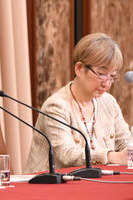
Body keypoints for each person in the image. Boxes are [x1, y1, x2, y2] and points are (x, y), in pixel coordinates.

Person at [25, 33, 132, 173]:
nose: (107, 83)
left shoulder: (108, 102)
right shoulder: (56, 106)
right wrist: (111, 157)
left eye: (112, 76)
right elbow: (66, 155)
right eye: (101, 74)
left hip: (95, 183)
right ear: (79, 69)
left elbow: (124, 144)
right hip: (50, 187)